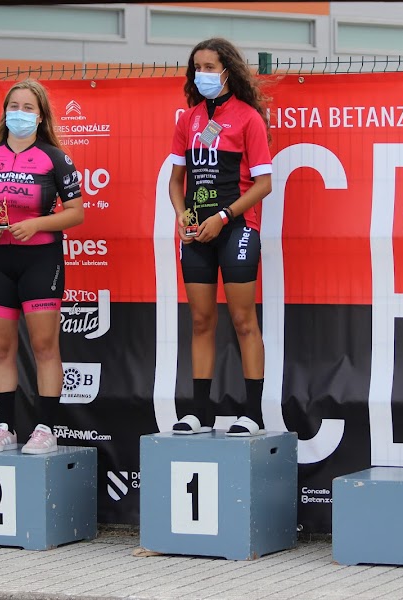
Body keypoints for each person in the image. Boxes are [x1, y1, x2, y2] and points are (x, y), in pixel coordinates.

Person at [0, 79, 83, 454]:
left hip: (40, 259)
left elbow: (76, 213)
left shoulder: (54, 158)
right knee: (1, 348)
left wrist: (36, 224)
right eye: (14, 106)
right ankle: (5, 428)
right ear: (5, 112)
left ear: (41, 114)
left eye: (28, 107)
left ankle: (46, 428)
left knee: (45, 345)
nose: (20, 113)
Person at [167, 37, 273, 437]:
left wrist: (226, 216)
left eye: (210, 66)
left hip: (237, 229)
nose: (203, 74)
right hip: (197, 233)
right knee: (200, 320)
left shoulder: (248, 118)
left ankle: (253, 412)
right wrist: (182, 215)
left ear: (228, 70)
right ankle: (199, 412)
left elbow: (264, 184)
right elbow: (176, 181)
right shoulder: (188, 119)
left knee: (244, 320)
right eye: (197, 67)